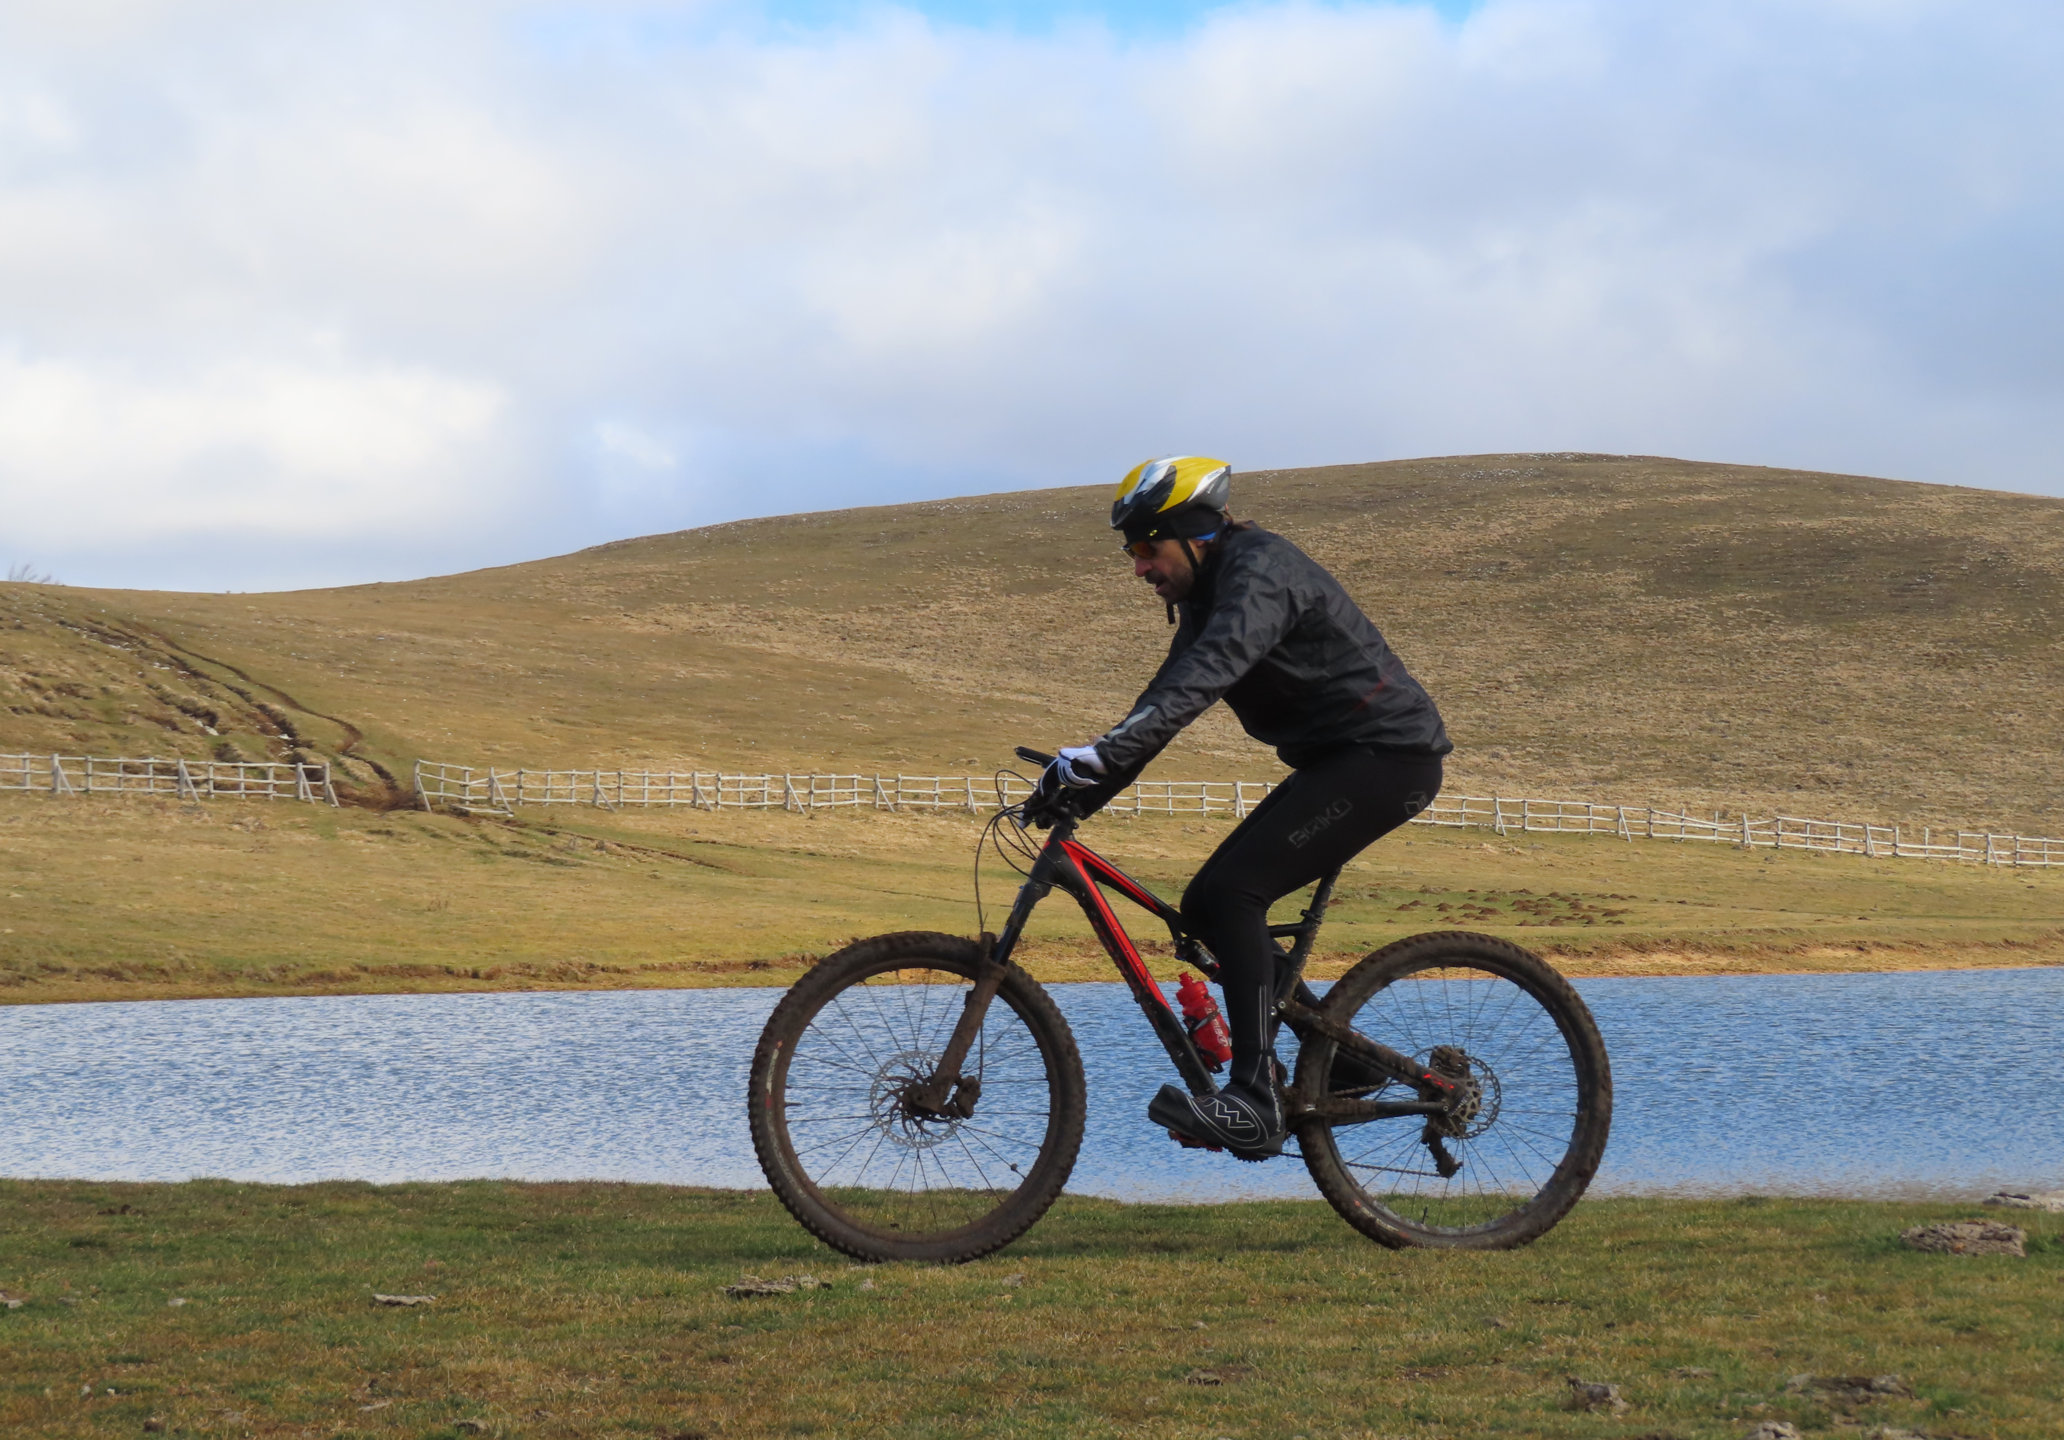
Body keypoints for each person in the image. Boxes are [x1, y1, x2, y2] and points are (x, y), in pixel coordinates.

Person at [1043, 455, 1450, 1158]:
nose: (1139, 568)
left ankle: (1254, 1094)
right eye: (1130, 552)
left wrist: (1104, 755)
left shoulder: (1258, 575)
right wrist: (1079, 790)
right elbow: (1161, 705)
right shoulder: (1208, 595)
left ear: (1194, 534)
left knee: (1234, 893)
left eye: (1147, 548)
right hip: (1339, 761)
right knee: (1206, 905)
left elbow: (1204, 678)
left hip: (1388, 759)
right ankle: (1347, 1062)